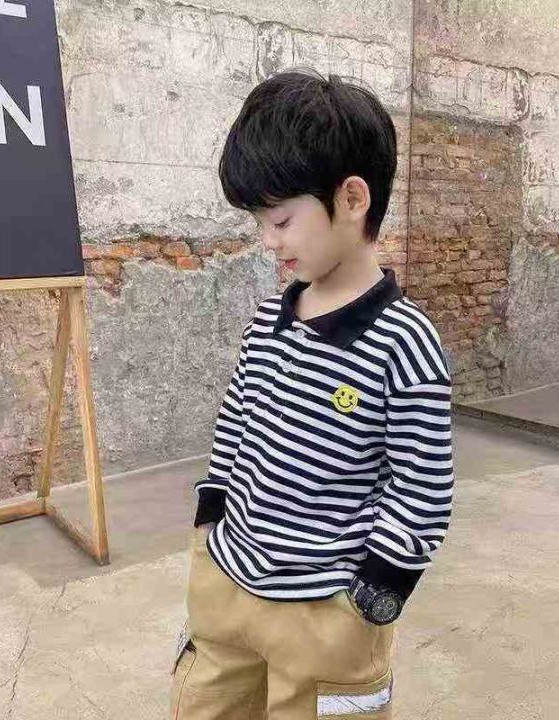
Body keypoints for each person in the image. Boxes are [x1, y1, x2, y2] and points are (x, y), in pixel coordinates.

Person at [169, 67, 454, 720]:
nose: (267, 241)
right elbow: (236, 424)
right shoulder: (268, 320)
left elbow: (422, 488)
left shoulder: (405, 341)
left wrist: (370, 598)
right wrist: (210, 516)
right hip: (226, 584)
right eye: (259, 222)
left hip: (327, 613)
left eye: (281, 219)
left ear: (352, 199)